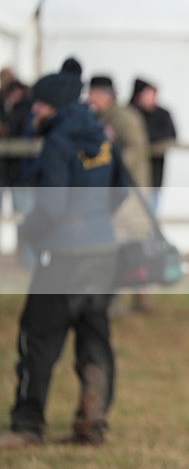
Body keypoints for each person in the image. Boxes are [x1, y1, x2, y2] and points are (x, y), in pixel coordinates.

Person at [0, 60, 128, 448]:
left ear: (53, 105)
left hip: (64, 256)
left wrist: (28, 232)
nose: (35, 110)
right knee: (94, 339)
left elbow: (51, 206)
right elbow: (123, 190)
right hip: (103, 252)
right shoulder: (102, 136)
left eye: (39, 104)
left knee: (37, 339)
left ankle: (26, 425)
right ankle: (92, 425)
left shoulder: (57, 142)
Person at [88, 75, 153, 313]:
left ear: (103, 94)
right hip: (121, 191)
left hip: (129, 193)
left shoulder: (123, 118)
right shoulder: (105, 117)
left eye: (92, 93)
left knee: (126, 245)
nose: (88, 98)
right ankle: (127, 298)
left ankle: (126, 299)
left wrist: (107, 168)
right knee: (123, 245)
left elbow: (135, 149)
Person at [128, 77, 176, 211]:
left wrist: (147, 144)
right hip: (130, 176)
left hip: (154, 175)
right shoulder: (129, 114)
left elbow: (170, 137)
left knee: (150, 213)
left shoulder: (162, 115)